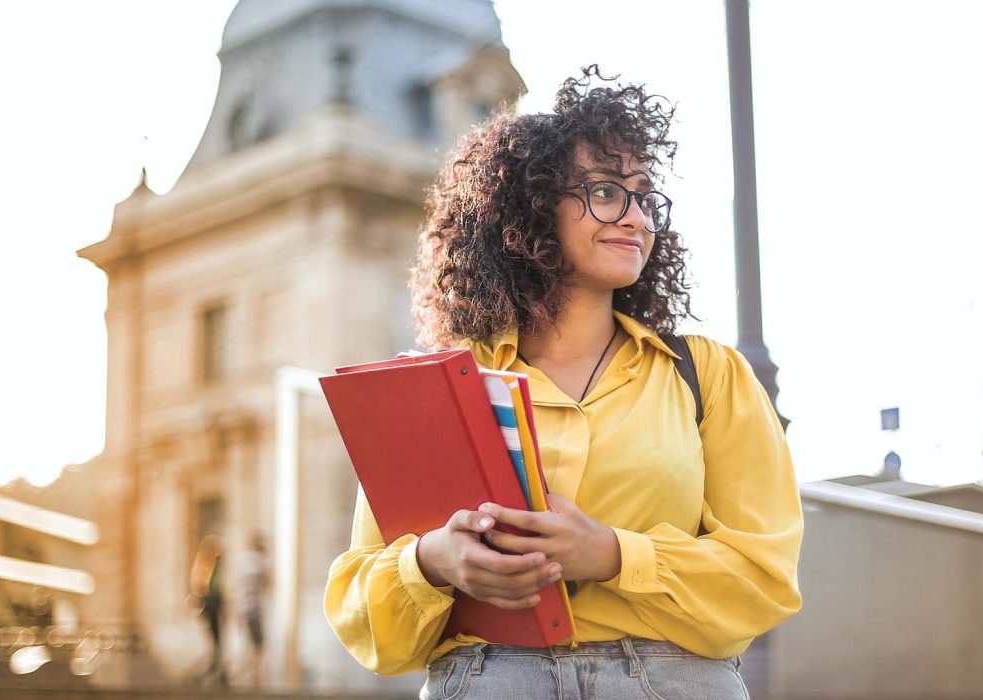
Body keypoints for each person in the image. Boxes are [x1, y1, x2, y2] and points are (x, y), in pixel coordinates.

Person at [324, 66, 803, 699]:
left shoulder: (708, 376)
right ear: (531, 207)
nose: (635, 216)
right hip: (489, 680)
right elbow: (368, 620)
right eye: (606, 191)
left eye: (644, 195)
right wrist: (435, 561)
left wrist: (610, 554)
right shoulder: (442, 387)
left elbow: (764, 579)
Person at [189, 534, 226, 686]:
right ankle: (214, 671)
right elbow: (200, 587)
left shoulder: (215, 566)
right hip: (209, 605)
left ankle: (219, 671)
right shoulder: (204, 565)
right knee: (214, 641)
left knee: (217, 641)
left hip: (215, 605)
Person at [234, 532, 270, 687]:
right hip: (252, 610)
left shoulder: (243, 563)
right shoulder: (255, 564)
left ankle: (248, 676)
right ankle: (250, 676)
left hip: (244, 609)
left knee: (251, 645)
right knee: (258, 646)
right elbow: (262, 584)